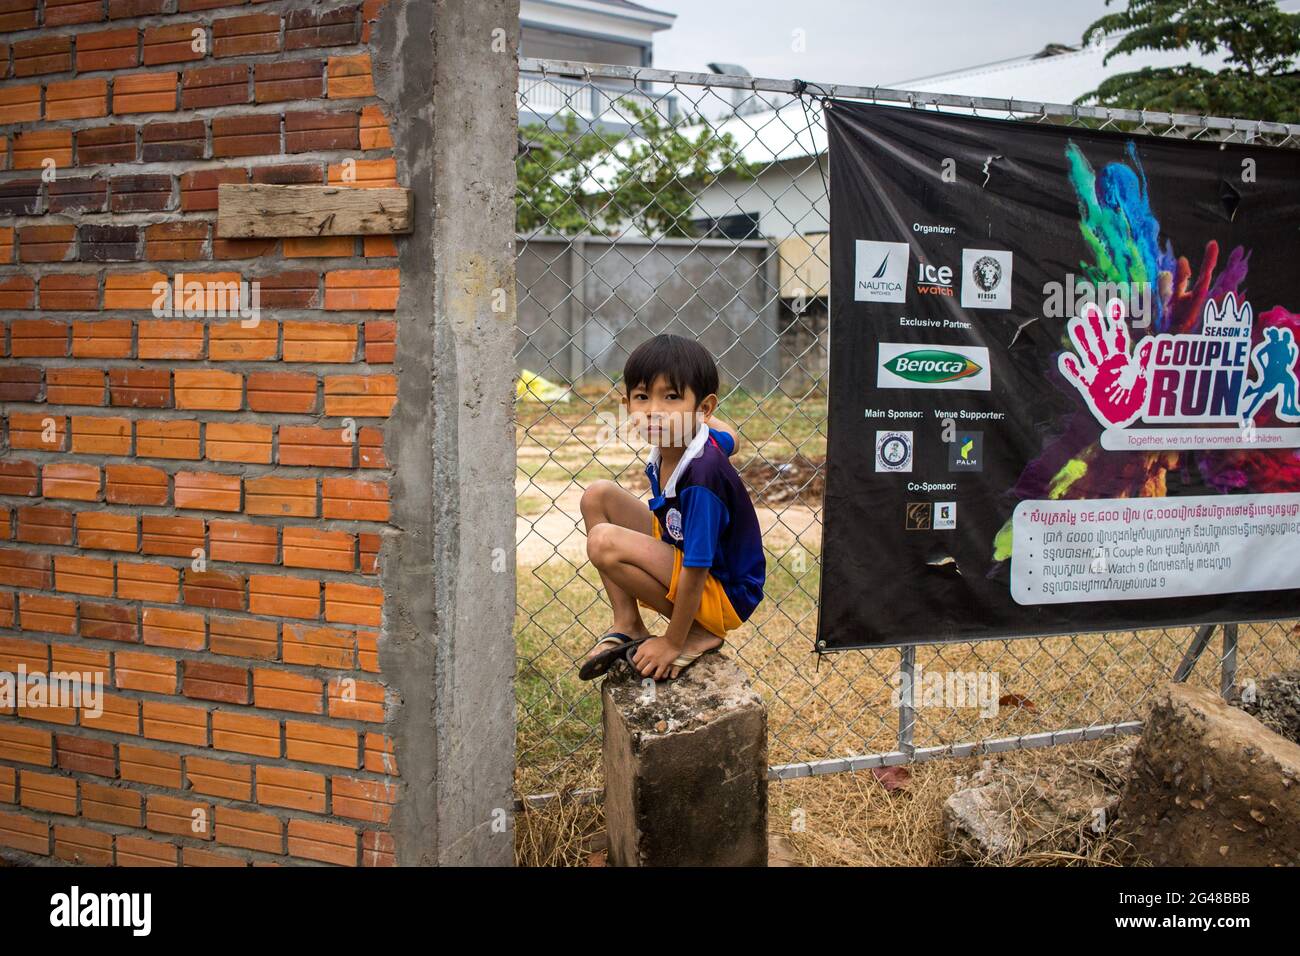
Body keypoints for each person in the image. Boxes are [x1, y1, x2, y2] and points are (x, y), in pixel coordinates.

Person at [578, 334, 766, 681]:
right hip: (679, 547)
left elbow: (696, 567)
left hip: (724, 589)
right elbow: (732, 437)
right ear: (627, 404)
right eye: (642, 397)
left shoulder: (701, 475)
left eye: (671, 397)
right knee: (597, 496)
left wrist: (672, 641)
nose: (653, 410)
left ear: (704, 408)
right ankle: (628, 623)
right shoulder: (696, 437)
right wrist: (697, 415)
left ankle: (697, 632)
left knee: (604, 541)